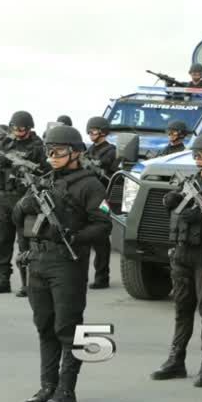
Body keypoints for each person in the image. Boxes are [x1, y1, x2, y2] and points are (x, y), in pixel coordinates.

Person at [13, 125, 111, 402]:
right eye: (48, 151)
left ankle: (66, 391)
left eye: (58, 151)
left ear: (76, 153)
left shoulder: (90, 185)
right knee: (44, 326)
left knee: (68, 328)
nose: (52, 156)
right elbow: (17, 219)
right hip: (39, 260)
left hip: (68, 263)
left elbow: (104, 225)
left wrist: (72, 235)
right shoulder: (44, 181)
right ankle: (47, 386)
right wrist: (24, 205)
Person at [151, 134, 202, 387]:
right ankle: (176, 360)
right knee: (182, 307)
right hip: (182, 251)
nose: (197, 158)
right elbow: (174, 202)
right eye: (195, 154)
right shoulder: (194, 180)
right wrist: (171, 200)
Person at [0, 111, 47, 296]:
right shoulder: (6, 144)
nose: (18, 132)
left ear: (29, 128)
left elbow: (44, 173)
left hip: (26, 201)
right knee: (2, 241)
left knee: (26, 243)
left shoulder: (38, 147)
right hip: (5, 198)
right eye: (15, 128)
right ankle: (3, 278)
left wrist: (25, 168)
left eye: (22, 128)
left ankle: (28, 283)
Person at [84, 117, 118, 290]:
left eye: (94, 131)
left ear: (103, 132)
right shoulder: (90, 149)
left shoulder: (111, 151)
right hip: (86, 197)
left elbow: (112, 176)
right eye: (89, 131)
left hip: (103, 198)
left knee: (100, 238)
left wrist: (97, 168)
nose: (90, 134)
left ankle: (102, 277)